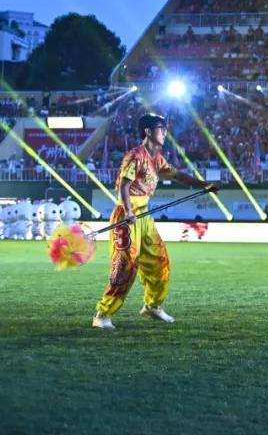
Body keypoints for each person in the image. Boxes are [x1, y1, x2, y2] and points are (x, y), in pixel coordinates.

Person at [92, 113, 218, 331]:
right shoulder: (135, 155)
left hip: (144, 216)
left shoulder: (157, 159)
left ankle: (152, 306)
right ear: (148, 131)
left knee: (160, 263)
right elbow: (124, 186)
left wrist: (203, 184)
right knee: (125, 267)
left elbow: (177, 175)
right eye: (161, 128)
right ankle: (102, 314)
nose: (165, 132)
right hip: (126, 216)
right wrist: (129, 212)